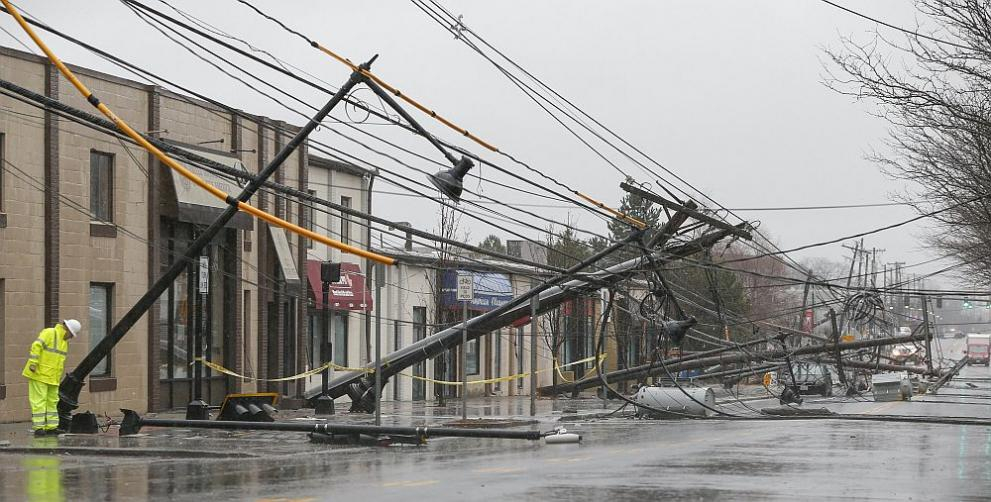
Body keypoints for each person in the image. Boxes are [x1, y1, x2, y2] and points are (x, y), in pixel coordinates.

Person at [22, 319, 80, 436]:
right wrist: (33, 363)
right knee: (39, 401)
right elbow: (36, 346)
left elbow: (59, 363)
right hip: (39, 375)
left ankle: (51, 427)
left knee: (52, 402)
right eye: (71, 334)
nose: (71, 337)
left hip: (52, 378)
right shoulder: (49, 333)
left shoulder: (64, 343)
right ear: (67, 329)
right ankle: (39, 428)